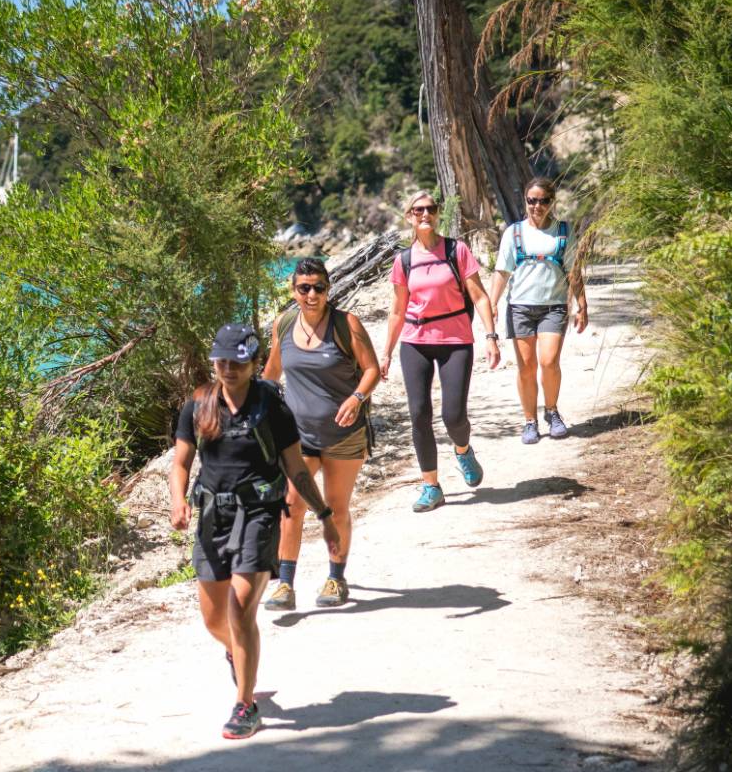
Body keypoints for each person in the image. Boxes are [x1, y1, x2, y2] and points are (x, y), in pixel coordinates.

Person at [170, 324, 340, 740]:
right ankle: (237, 652)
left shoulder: (271, 408)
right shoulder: (198, 406)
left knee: (241, 609)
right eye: (221, 361)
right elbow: (180, 463)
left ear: (252, 363)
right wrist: (178, 499)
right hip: (213, 517)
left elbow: (296, 469)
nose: (228, 369)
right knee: (214, 620)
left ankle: (245, 705)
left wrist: (324, 514)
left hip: (259, 515)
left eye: (237, 362)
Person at [260, 258, 380, 611]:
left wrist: (357, 398)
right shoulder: (283, 325)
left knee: (335, 507)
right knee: (291, 506)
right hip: (300, 438)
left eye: (319, 288)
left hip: (344, 437)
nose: (312, 295)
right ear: (293, 290)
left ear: (329, 289)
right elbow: (272, 372)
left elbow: (371, 369)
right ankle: (284, 585)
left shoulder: (346, 325)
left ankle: (336, 578)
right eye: (304, 288)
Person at [379, 192, 501, 512]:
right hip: (415, 340)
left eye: (430, 209)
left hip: (456, 340)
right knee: (419, 414)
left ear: (437, 214)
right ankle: (431, 486)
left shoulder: (455, 250)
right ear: (409, 217)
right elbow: (396, 310)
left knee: (453, 415)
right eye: (418, 210)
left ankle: (462, 450)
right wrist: (387, 353)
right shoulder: (403, 261)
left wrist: (490, 337)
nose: (425, 214)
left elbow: (480, 297)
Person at [487, 177, 588, 443]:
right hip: (520, 307)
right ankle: (529, 421)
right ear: (526, 202)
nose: (537, 206)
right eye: (532, 201)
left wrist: (582, 304)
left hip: (553, 307)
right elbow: (502, 271)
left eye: (543, 201)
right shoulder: (514, 233)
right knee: (527, 367)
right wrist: (492, 303)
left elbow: (573, 270)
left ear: (551, 202)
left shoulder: (563, 231)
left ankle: (552, 411)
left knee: (549, 361)